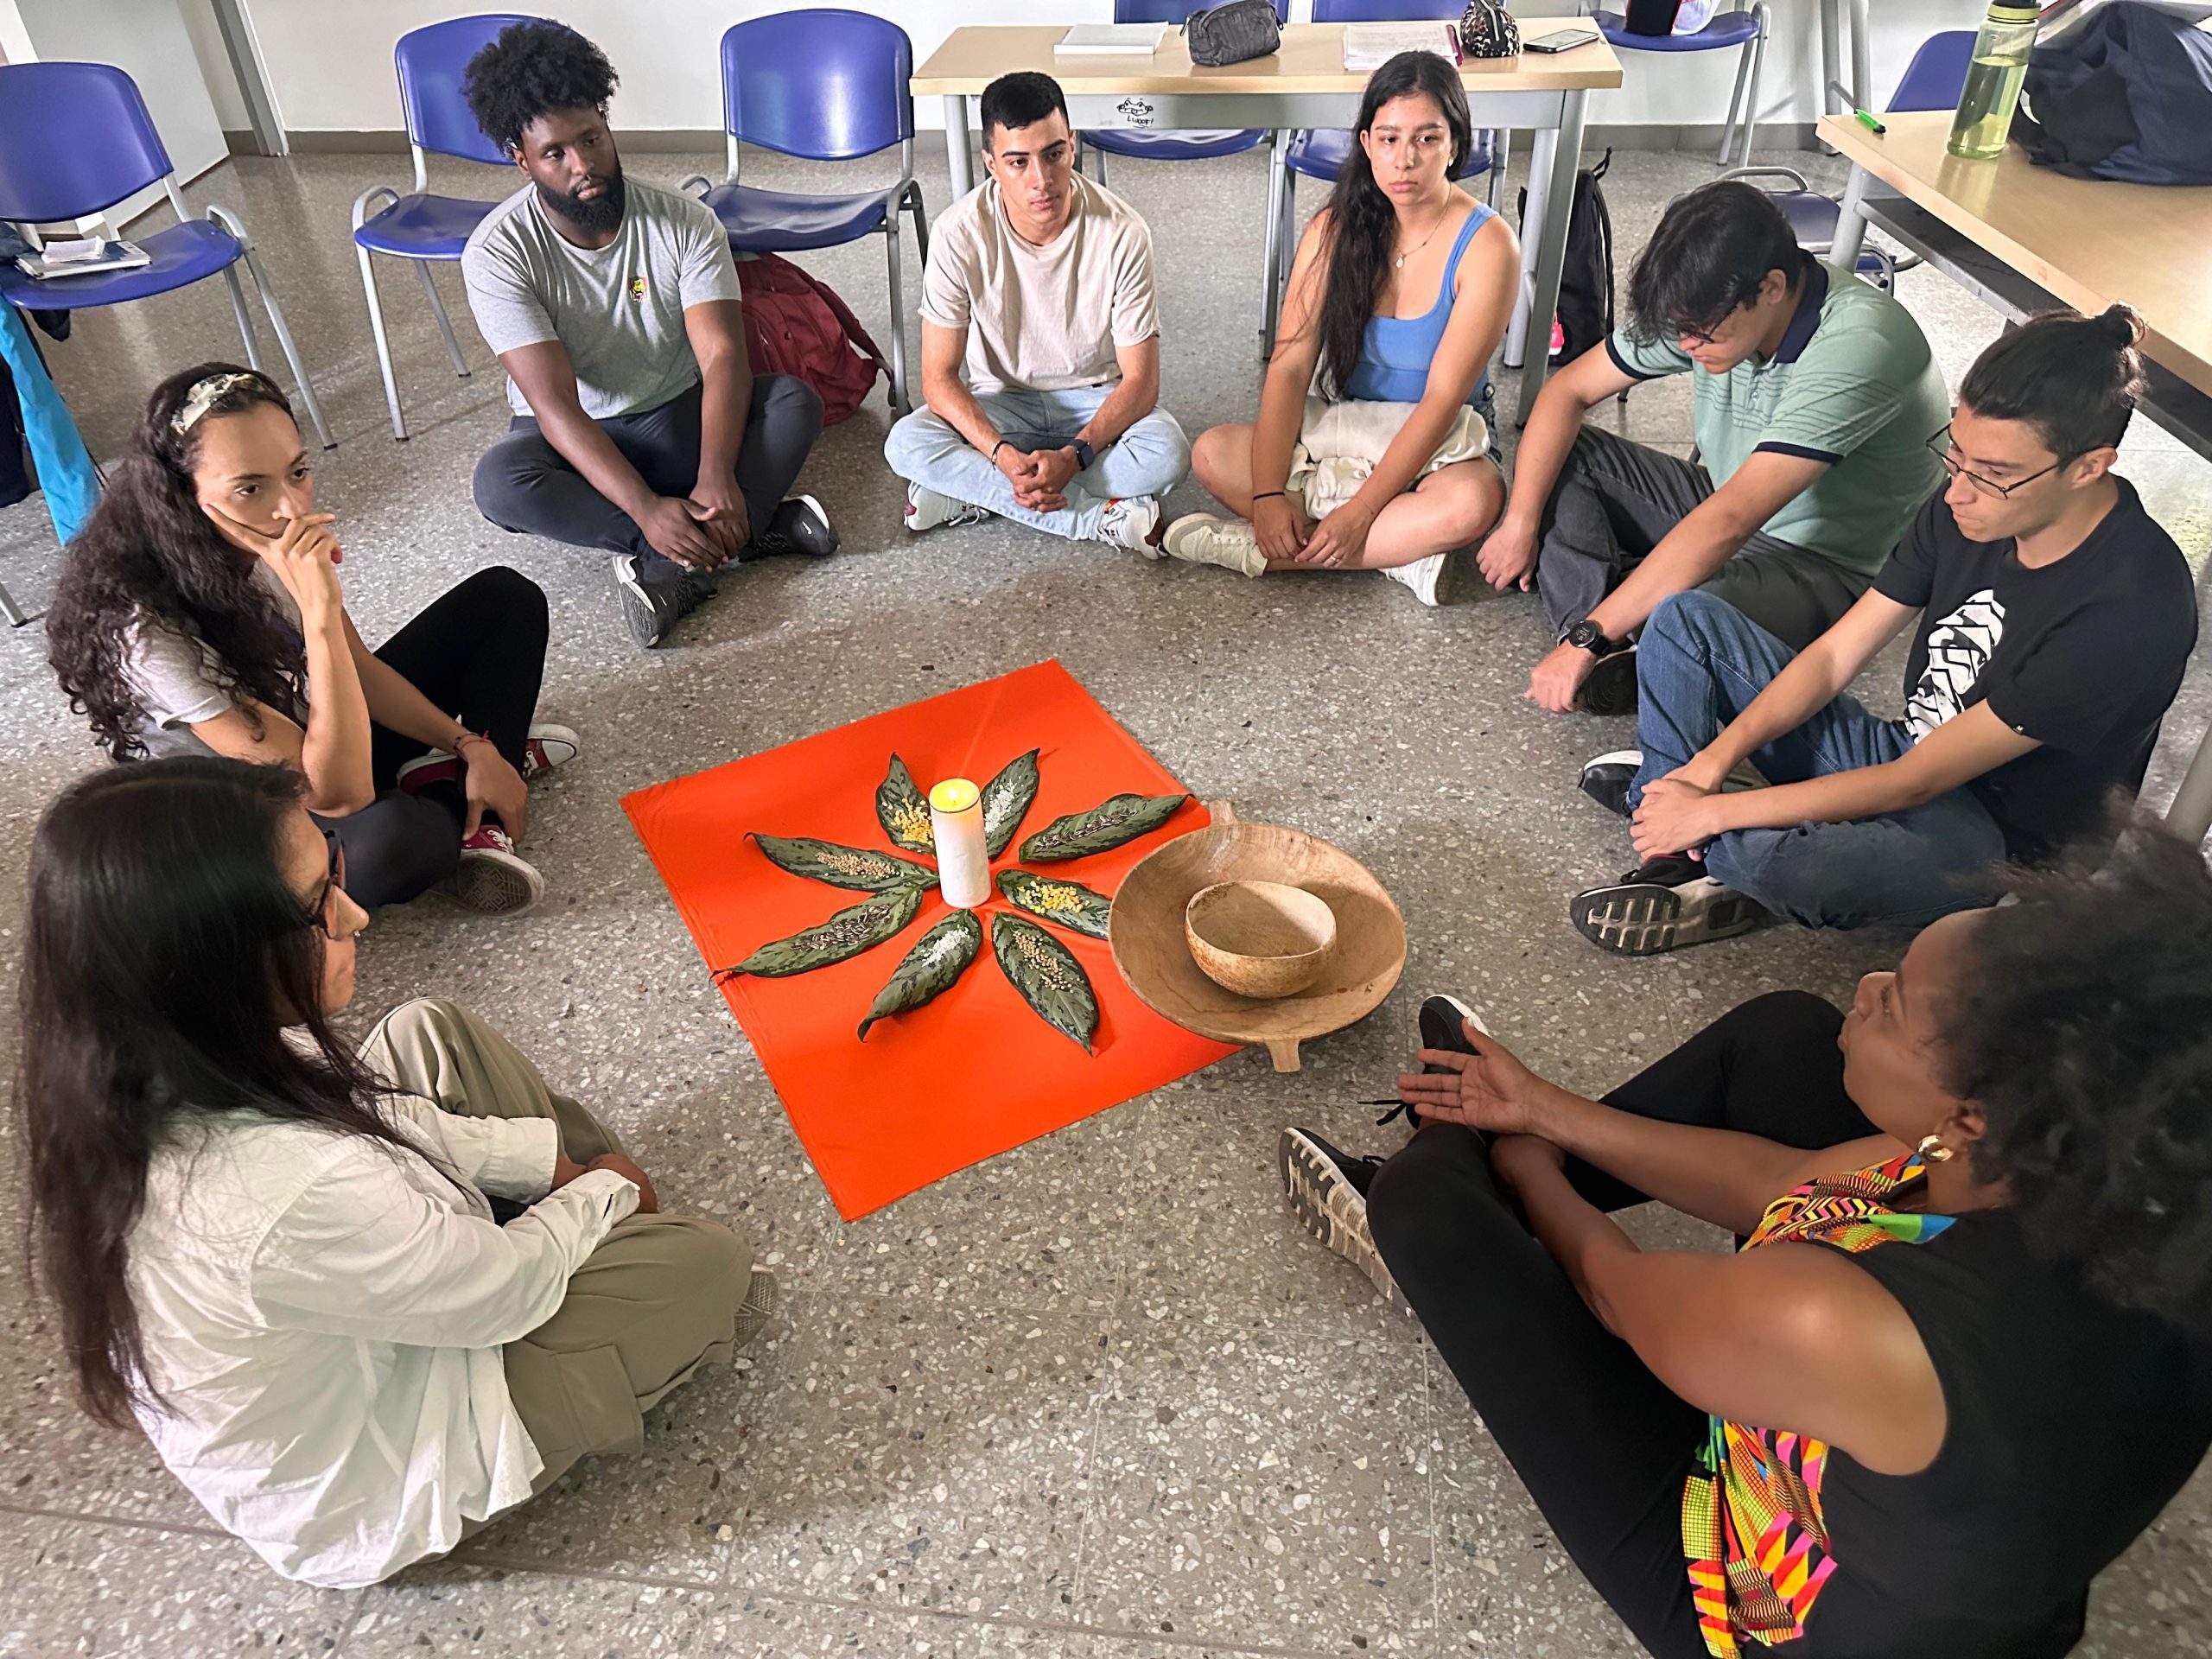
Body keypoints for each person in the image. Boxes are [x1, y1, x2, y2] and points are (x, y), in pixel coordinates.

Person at [1278, 823, 2212, 1659]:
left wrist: (1527, 1167)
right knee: (1788, 1036)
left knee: (1424, 1206)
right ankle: (1485, 1180)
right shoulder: (2099, 1166)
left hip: (1767, 1600)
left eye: (1894, 1004)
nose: (1867, 982)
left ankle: (1438, 1228)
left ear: (1967, 1115)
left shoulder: (1843, 1321)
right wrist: (1542, 1110)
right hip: (1939, 1521)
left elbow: (1613, 1286)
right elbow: (1783, 1187)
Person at [17, 757, 774, 1588]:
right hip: (396, 1452)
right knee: (704, 1266)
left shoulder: (171, 1044)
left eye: (333, 868)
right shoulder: (270, 1187)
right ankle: (613, 1231)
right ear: (219, 958)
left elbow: (382, 1112)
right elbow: (498, 1297)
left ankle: (590, 1214)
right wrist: (600, 1190)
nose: (356, 916)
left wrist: (548, 1168)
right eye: (319, 907)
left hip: (390, 1269)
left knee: (427, 1029)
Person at [1567, 305, 2195, 956]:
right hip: (1902, 755)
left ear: (2090, 467)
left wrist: (1712, 809)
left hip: (1999, 846)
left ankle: (1701, 828)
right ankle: (1686, 832)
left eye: (1994, 474)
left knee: (1798, 868)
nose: (1958, 492)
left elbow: (1916, 782)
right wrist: (1709, 765)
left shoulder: (2128, 609)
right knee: (1683, 619)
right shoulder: (1967, 503)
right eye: (1956, 454)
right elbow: (1836, 656)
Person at [47, 364, 571, 916]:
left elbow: (360, 672)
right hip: (256, 816)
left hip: (312, 734)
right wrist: (318, 614)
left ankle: (471, 775)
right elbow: (336, 794)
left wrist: (472, 744)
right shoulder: (145, 629)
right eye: (250, 488)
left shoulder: (260, 545)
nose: (291, 510)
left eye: (297, 472)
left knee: (504, 599)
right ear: (179, 496)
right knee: (398, 836)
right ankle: (462, 805)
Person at [1481, 181, 1948, 715]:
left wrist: (1592, 633)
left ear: (1772, 287)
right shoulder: (1704, 308)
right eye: (1680, 332)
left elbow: (1733, 519)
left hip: (1828, 565)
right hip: (1721, 496)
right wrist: (1520, 522)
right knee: (1569, 454)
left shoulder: (1861, 344)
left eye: (1701, 335)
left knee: (1682, 613)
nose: (1686, 347)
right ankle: (1612, 643)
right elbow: (1567, 392)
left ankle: (1624, 629)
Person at [461, 21, 835, 651]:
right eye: (556, 153)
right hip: (573, 435)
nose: (584, 166)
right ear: (520, 159)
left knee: (793, 402)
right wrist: (642, 510)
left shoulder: (686, 223)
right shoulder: (497, 253)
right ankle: (720, 535)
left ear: (607, 125)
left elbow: (721, 356)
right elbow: (553, 406)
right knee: (500, 482)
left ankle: (691, 547)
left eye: (592, 138)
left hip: (675, 416)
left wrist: (716, 473)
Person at [1162, 52, 1518, 607]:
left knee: (1474, 503)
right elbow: (1290, 365)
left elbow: (1444, 398)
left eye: (1428, 139)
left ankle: (1262, 552)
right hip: (1343, 433)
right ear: (1366, 141)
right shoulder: (1333, 229)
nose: (1406, 160)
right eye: (1390, 138)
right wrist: (1267, 493)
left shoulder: (1489, 244)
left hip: (1439, 442)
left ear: (1456, 145)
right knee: (1211, 452)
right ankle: (1401, 559)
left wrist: (1360, 511)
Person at [882, 71, 1188, 551]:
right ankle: (1098, 518)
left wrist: (1077, 454)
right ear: (990, 164)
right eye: (1017, 162)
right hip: (1003, 402)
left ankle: (976, 495)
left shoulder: (1123, 232)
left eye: (1053, 155)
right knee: (905, 441)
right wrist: (1002, 454)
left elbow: (1141, 383)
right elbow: (938, 378)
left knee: (1168, 453)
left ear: (1072, 145)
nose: (1041, 181)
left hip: (1094, 399)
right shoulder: (956, 233)